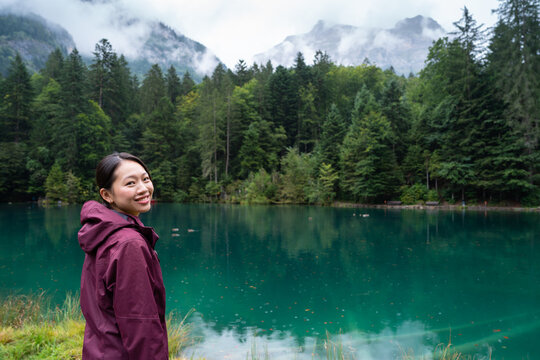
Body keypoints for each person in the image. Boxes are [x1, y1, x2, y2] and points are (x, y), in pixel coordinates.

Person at [78, 152, 168, 359]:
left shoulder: (102, 231)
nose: (144, 188)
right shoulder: (129, 244)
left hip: (100, 350)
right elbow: (141, 325)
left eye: (145, 179)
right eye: (130, 183)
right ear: (107, 195)